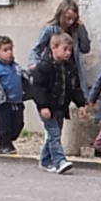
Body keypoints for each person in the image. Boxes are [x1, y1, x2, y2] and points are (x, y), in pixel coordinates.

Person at [26, 33, 87, 174]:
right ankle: (60, 161)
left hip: (61, 106)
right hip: (48, 107)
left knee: (54, 134)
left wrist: (81, 104)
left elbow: (74, 88)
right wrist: (43, 106)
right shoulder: (43, 67)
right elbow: (38, 89)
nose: (68, 53)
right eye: (65, 49)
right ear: (53, 48)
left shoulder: (69, 67)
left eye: (70, 50)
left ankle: (45, 161)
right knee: (54, 134)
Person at [0, 35, 29, 155]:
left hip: (18, 101)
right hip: (4, 102)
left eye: (10, 49)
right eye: (5, 50)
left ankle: (10, 140)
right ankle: (4, 144)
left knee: (19, 124)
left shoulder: (16, 67)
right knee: (5, 125)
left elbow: (24, 78)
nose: (9, 53)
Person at [31, 0, 91, 69]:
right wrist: (35, 65)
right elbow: (37, 49)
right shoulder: (50, 29)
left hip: (71, 71)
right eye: (68, 18)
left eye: (74, 19)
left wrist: (82, 29)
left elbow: (85, 49)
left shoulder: (75, 31)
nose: (71, 22)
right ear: (61, 15)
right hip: (53, 69)